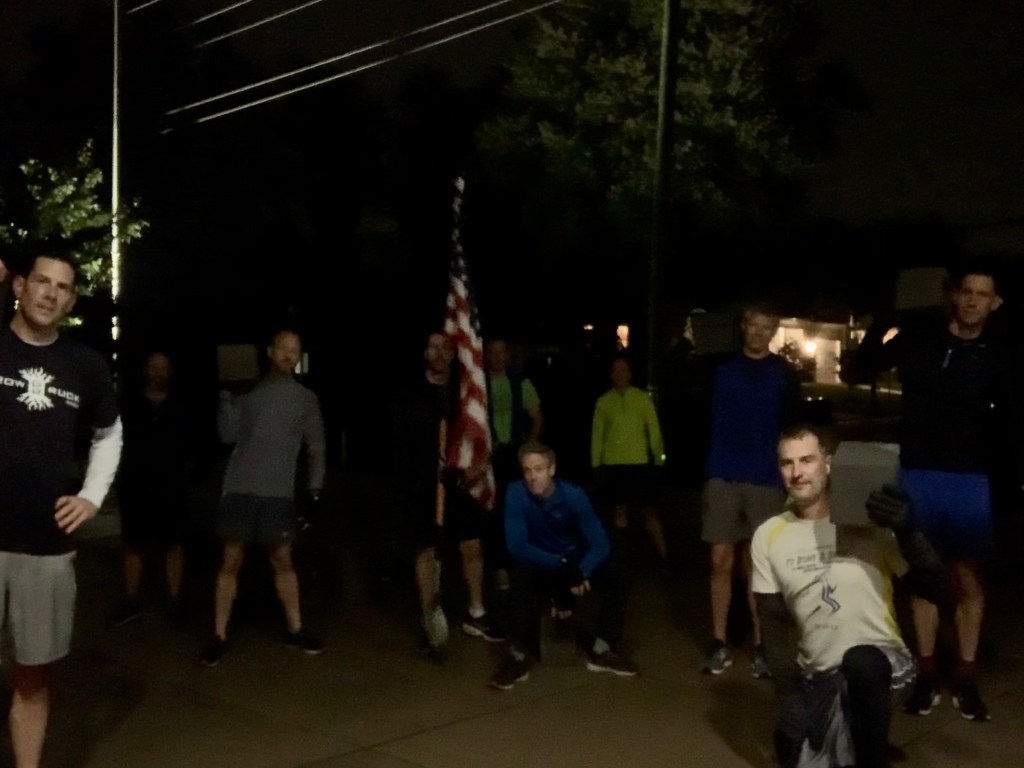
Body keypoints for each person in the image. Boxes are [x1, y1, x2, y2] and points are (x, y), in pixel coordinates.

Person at [852, 261, 1019, 721]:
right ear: (953, 295)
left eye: (982, 294)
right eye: (966, 291)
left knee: (967, 578)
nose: (972, 301)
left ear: (994, 303)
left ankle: (965, 676)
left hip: (971, 480)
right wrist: (885, 322)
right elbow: (860, 368)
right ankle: (926, 674)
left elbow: (1012, 420)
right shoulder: (920, 339)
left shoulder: (1002, 354)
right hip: (918, 474)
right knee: (923, 576)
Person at [753, 424, 946, 768]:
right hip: (819, 674)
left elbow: (936, 588)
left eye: (807, 460)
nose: (797, 472)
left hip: (884, 665)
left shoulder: (868, 520)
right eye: (787, 463)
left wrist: (908, 532)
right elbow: (774, 628)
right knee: (791, 749)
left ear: (828, 464)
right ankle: (850, 739)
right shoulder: (769, 535)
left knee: (861, 663)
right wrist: (790, 702)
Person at [0, 251, 122, 768]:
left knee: (32, 677)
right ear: (19, 286)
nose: (50, 293)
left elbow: (109, 433)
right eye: (41, 281)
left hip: (45, 545)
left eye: (63, 287)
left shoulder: (85, 365)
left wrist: (92, 495)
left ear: (71, 301)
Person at [200, 328, 326, 667]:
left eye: (294, 350)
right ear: (270, 351)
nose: (288, 354)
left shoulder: (305, 399)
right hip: (240, 488)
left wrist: (315, 490)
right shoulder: (249, 392)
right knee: (231, 560)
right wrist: (226, 397)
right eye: (283, 348)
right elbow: (227, 435)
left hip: (278, 492)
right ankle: (218, 634)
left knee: (282, 559)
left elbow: (316, 447)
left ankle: (296, 628)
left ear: (298, 357)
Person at [699, 301, 801, 677]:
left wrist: (793, 476)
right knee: (720, 559)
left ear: (773, 331)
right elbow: (700, 418)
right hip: (722, 474)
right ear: (743, 326)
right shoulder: (720, 370)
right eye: (753, 325)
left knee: (759, 565)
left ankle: (762, 645)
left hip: (765, 478)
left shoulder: (784, 374)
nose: (758, 333)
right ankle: (718, 641)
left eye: (765, 327)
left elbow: (793, 428)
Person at [489, 440, 638, 690]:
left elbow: (600, 543)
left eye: (538, 469)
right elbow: (517, 545)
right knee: (519, 576)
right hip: (541, 562)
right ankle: (517, 656)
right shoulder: (516, 493)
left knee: (618, 574)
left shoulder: (573, 496)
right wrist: (563, 566)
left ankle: (603, 649)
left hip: (572, 561)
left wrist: (582, 571)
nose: (532, 477)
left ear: (551, 469)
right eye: (527, 470)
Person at [391, 332, 502, 661]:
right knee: (426, 552)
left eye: (446, 348)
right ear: (425, 353)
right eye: (434, 347)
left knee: (471, 544)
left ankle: (476, 613)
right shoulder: (410, 395)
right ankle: (430, 621)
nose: (440, 353)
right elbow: (400, 446)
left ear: (454, 355)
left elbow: (481, 434)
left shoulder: (462, 395)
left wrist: (476, 465)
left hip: (458, 485)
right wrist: (419, 479)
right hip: (422, 487)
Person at [110, 350, 193, 626]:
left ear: (170, 372)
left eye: (163, 367)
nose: (158, 372)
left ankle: (175, 599)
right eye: (153, 367)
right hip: (135, 484)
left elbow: (192, 446)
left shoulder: (181, 407)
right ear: (145, 370)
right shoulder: (128, 405)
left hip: (172, 485)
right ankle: (130, 600)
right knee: (133, 541)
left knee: (174, 542)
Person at [589, 353, 669, 570]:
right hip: (613, 464)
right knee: (619, 511)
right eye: (616, 371)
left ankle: (664, 556)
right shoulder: (603, 401)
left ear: (630, 373)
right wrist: (596, 465)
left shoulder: (641, 398)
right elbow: (597, 435)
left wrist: (659, 458)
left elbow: (654, 430)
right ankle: (620, 558)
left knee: (649, 511)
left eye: (623, 370)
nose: (620, 374)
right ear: (611, 374)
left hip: (639, 463)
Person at [485, 338, 544, 588]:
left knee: (519, 509)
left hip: (514, 453)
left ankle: (523, 561)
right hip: (489, 455)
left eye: (502, 352)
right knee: (493, 511)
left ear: (508, 355)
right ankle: (499, 566)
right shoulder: (480, 384)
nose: (498, 357)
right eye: (493, 352)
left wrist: (528, 448)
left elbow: (537, 418)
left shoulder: (521, 383)